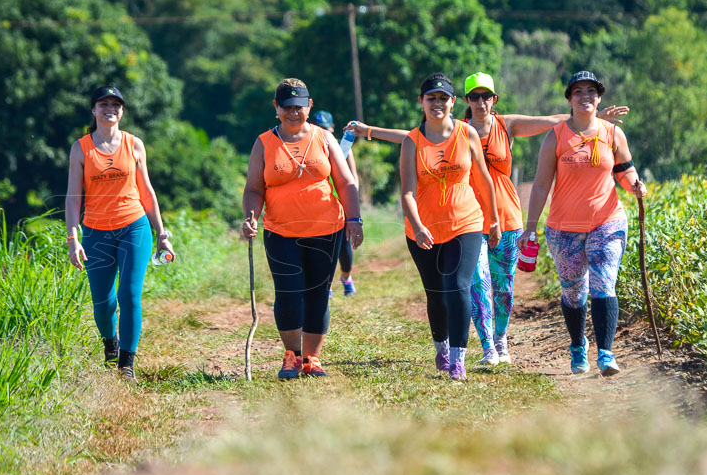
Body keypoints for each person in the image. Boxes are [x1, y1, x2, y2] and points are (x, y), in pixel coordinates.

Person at [347, 75, 628, 365]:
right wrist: (369, 131)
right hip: (469, 221)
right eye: (475, 97)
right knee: (477, 283)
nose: (481, 102)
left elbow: (549, 120)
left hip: (507, 217)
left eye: (487, 96)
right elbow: (410, 137)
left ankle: (501, 339)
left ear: (494, 99)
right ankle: (487, 348)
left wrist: (589, 114)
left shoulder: (507, 125)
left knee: (503, 288)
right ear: (465, 101)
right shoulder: (456, 130)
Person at [519, 71, 645, 376]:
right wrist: (531, 225)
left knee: (604, 285)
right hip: (563, 229)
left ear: (599, 98)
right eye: (578, 92)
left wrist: (636, 186)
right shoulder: (556, 137)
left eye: (591, 91)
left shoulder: (613, 134)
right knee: (574, 293)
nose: (585, 96)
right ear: (569, 99)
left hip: (607, 223)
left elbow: (625, 171)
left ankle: (606, 353)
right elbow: (540, 185)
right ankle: (578, 345)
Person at [242, 79, 363, 379]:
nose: (293, 113)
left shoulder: (324, 138)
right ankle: (292, 356)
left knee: (318, 293)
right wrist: (250, 216)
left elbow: (346, 182)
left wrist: (355, 219)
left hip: (326, 230)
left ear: (309, 106)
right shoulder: (264, 143)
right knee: (288, 292)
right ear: (276, 108)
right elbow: (254, 189)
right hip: (280, 232)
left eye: (299, 107)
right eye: (287, 107)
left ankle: (313, 358)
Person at [66, 85, 174, 381]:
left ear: (122, 111)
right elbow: (73, 197)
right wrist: (73, 239)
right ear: (94, 110)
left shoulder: (134, 145)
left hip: (134, 227)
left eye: (115, 104)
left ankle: (127, 364)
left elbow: (147, 192)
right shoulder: (81, 149)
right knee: (103, 301)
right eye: (104, 104)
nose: (109, 108)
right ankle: (109, 342)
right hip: (95, 232)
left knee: (129, 294)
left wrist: (161, 233)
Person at [400, 73, 500, 381]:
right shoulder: (411, 141)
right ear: (422, 102)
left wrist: (494, 219)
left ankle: (458, 359)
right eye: (431, 98)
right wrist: (417, 226)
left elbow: (483, 179)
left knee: (458, 286)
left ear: (453, 102)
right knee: (436, 294)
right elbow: (406, 191)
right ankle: (441, 347)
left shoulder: (466, 133)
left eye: (443, 98)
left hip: (465, 222)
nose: (437, 104)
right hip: (423, 229)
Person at [309, 110, 359, 297]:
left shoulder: (342, 146)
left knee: (344, 250)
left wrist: (353, 206)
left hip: (342, 206)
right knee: (321, 247)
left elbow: (353, 178)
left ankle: (346, 278)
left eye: (324, 128)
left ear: (331, 128)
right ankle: (326, 284)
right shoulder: (306, 149)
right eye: (317, 127)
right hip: (319, 207)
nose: (321, 131)